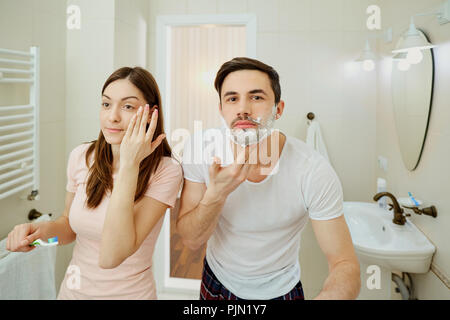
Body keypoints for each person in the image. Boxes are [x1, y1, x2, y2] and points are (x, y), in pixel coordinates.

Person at [177, 57, 361, 300]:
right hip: (217, 280)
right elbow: (191, 240)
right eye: (232, 98)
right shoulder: (201, 148)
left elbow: (345, 263)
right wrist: (216, 194)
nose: (243, 108)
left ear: (279, 108)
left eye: (256, 97)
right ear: (221, 109)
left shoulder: (312, 170)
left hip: (281, 288)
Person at [6, 67, 183, 300]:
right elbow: (69, 229)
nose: (112, 116)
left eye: (128, 106)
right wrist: (36, 237)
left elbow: (111, 256)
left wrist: (129, 164)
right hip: (73, 294)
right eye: (106, 104)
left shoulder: (166, 171)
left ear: (151, 114)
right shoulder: (82, 157)